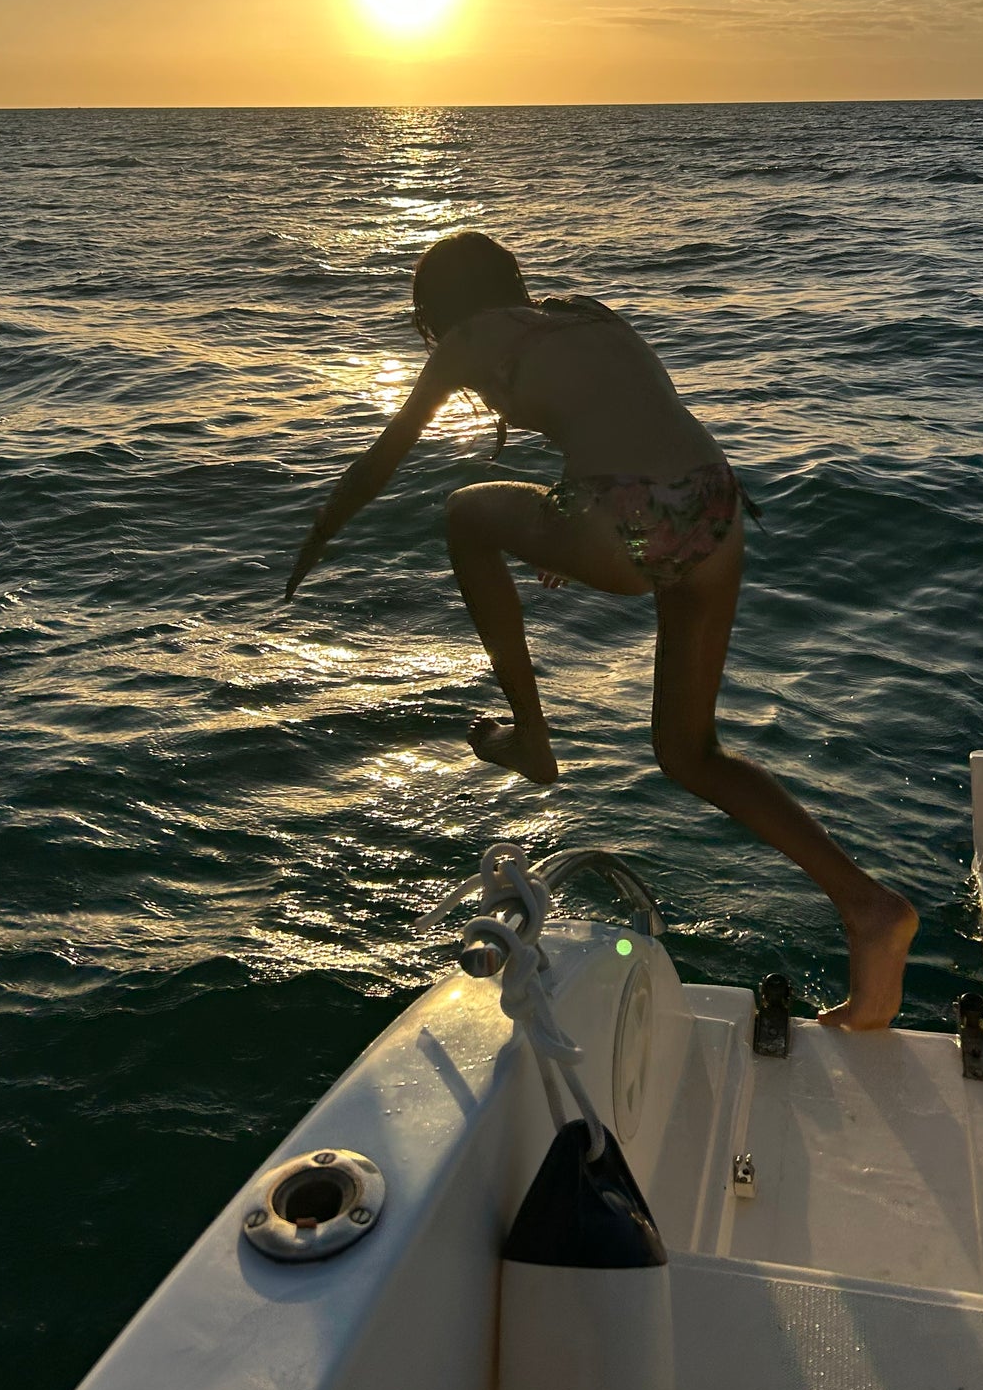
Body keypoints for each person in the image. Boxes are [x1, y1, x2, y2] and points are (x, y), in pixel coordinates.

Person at [284, 231, 917, 1028]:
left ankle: (530, 737)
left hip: (626, 516)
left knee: (463, 514)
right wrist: (572, 515)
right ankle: (868, 907)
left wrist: (317, 536)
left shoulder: (467, 341)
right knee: (691, 752)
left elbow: (383, 459)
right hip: (716, 507)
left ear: (439, 312)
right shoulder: (583, 314)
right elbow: (624, 419)